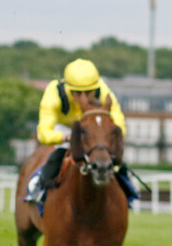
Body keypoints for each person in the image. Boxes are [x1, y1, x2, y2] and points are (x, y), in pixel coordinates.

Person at [35, 58, 127, 191]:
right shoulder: (54, 94)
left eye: (89, 92)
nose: (84, 97)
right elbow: (43, 133)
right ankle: (40, 190)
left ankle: (128, 193)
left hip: (93, 132)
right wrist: (66, 137)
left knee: (117, 163)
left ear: (96, 88)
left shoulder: (104, 91)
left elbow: (119, 127)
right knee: (56, 156)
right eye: (78, 93)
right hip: (64, 130)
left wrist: (107, 138)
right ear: (68, 89)